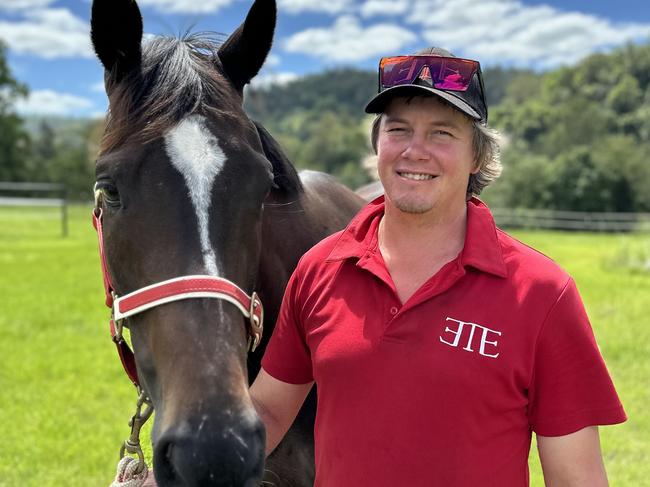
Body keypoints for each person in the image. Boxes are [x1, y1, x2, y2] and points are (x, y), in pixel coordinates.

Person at [251, 47, 626, 486]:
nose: (416, 151)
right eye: (399, 129)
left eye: (442, 133)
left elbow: (575, 477)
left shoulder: (542, 292)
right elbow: (268, 411)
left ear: (478, 157)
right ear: (378, 144)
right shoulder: (319, 269)